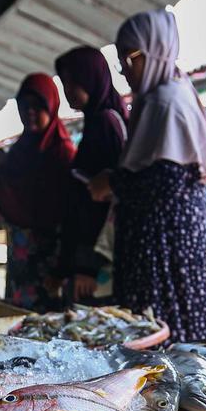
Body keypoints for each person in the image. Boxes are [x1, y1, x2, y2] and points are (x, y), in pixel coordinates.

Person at [87, 9, 206, 341]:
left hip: (166, 243)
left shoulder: (164, 100)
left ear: (157, 51)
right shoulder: (166, 92)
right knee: (182, 328)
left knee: (168, 330)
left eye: (131, 57)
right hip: (172, 236)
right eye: (120, 59)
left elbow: (165, 180)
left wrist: (112, 182)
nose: (124, 69)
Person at [0, 73, 75, 311]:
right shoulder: (17, 153)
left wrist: (62, 269)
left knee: (52, 331)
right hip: (21, 256)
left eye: (38, 106)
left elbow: (71, 213)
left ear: (52, 105)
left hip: (53, 261)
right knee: (19, 321)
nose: (30, 113)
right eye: (24, 107)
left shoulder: (63, 154)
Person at [54, 46, 127, 303]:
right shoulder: (99, 121)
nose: (67, 91)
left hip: (98, 259)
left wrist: (87, 267)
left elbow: (105, 204)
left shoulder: (105, 124)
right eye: (64, 84)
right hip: (93, 253)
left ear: (91, 78)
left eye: (73, 82)